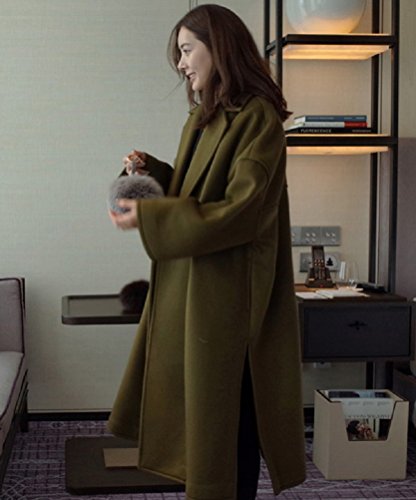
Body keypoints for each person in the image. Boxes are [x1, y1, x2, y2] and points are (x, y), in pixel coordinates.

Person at [107, 4, 306, 499]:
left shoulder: (258, 119)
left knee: (229, 422)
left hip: (229, 296)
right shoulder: (203, 115)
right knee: (207, 418)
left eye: (186, 50)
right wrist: (153, 170)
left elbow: (240, 211)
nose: (181, 64)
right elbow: (197, 189)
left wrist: (150, 216)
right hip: (197, 285)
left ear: (219, 48)